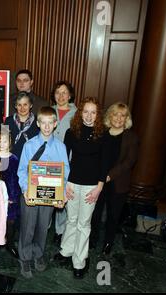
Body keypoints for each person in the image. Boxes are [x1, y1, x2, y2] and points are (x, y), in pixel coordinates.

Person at [52, 97, 107, 279]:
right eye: (86, 111)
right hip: (72, 183)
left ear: (97, 115)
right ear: (80, 112)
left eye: (93, 112)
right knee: (71, 219)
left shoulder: (103, 134)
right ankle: (66, 251)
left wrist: (99, 187)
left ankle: (79, 260)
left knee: (84, 224)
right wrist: (65, 183)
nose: (89, 116)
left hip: (92, 185)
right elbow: (64, 159)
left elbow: (104, 164)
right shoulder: (71, 131)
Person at [17, 106, 70, 279]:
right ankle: (24, 257)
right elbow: (22, 171)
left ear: (55, 124)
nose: (47, 127)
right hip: (30, 195)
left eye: (50, 123)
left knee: (42, 227)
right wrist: (25, 190)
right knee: (28, 227)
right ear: (38, 123)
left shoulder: (61, 147)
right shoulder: (29, 145)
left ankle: (38, 253)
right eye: (43, 123)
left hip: (49, 196)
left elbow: (65, 173)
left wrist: (61, 195)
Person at [90, 102, 138, 254]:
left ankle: (108, 242)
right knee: (95, 213)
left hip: (118, 183)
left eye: (122, 115)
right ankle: (92, 240)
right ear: (110, 115)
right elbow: (95, 156)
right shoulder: (101, 133)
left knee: (113, 215)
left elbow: (129, 162)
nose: (118, 118)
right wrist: (100, 176)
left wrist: (109, 176)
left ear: (127, 119)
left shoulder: (131, 137)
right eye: (115, 114)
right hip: (98, 181)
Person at [50, 80, 77, 245]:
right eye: (57, 92)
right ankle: (43, 227)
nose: (61, 96)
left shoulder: (77, 114)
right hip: (48, 162)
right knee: (46, 196)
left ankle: (60, 231)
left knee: (63, 198)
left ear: (70, 95)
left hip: (68, 162)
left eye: (64, 92)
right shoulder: (48, 111)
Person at [0, 129, 20, 258]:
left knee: (10, 222)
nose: (2, 144)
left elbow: (15, 179)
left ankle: (10, 243)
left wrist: (12, 197)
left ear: (9, 142)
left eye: (4, 141)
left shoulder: (14, 159)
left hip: (10, 196)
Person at [4, 91, 39, 159]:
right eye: (19, 105)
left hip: (32, 160)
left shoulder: (38, 122)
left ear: (31, 105)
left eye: (25, 104)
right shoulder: (8, 121)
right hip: (12, 160)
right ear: (15, 106)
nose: (22, 108)